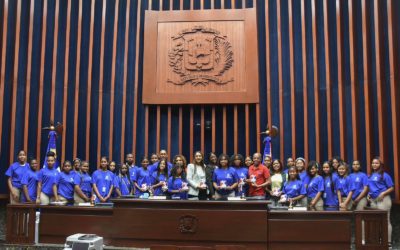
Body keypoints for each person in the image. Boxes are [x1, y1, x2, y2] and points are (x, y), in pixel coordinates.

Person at [368, 157, 394, 246]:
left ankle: (388, 242)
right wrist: (368, 194)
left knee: (385, 221)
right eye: (373, 163)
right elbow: (370, 187)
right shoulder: (370, 175)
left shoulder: (385, 175)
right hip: (373, 201)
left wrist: (383, 193)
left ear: (380, 165)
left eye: (376, 163)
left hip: (383, 200)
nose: (374, 164)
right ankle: (378, 241)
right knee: (376, 221)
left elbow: (391, 188)